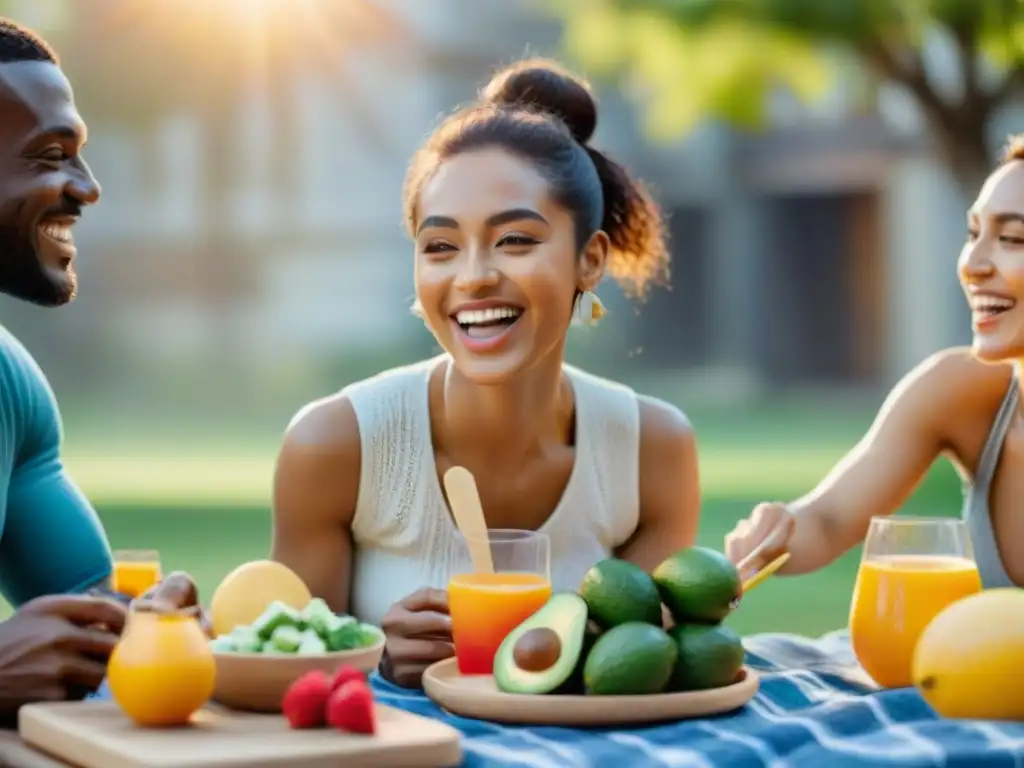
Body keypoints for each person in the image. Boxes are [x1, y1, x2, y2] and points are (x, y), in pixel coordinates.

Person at [271, 58, 701, 688]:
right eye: (440, 247)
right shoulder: (337, 445)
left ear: (590, 261)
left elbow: (641, 662)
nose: (472, 276)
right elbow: (280, 669)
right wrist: (371, 655)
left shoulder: (651, 453)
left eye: (516, 240)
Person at [0, 18, 198, 717]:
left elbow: (92, 616)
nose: (87, 189)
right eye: (51, 155)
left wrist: (152, 622)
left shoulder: (9, 385)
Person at [725, 133, 1024, 590]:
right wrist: (776, 531)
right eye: (972, 234)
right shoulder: (961, 391)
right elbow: (828, 518)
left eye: (1011, 238)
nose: (973, 264)